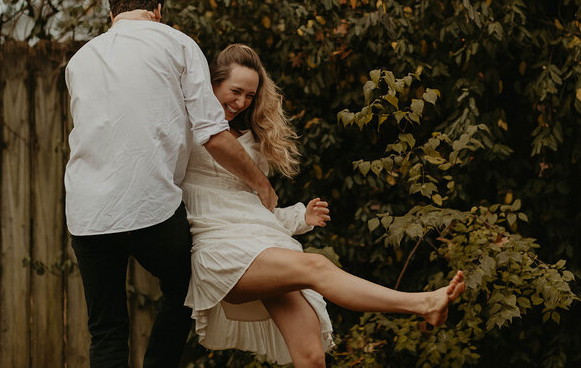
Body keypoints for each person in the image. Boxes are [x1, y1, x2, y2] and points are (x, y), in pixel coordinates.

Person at [182, 44, 466, 367]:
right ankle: (423, 303)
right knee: (317, 267)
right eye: (235, 91)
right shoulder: (190, 128)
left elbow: (256, 210)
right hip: (222, 249)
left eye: (250, 95)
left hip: (263, 242)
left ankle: (426, 304)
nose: (241, 103)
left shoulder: (252, 143)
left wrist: (299, 217)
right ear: (213, 83)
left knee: (311, 356)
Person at [64, 0, 279, 368]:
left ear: (112, 14)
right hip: (151, 207)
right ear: (157, 10)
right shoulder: (178, 43)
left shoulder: (80, 60)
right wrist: (261, 184)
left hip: (86, 213)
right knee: (185, 287)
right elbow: (213, 134)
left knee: (106, 329)